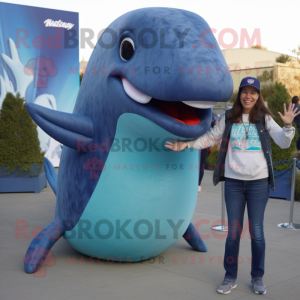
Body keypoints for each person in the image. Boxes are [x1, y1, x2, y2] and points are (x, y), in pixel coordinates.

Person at [165, 77, 298, 295]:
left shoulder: (264, 118)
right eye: (244, 92)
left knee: (257, 233)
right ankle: (230, 276)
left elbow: (283, 142)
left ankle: (257, 277)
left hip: (258, 184)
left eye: (253, 92)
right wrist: (186, 144)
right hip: (235, 184)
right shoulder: (229, 117)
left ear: (258, 95)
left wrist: (288, 125)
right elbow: (209, 138)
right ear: (240, 95)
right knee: (233, 234)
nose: (248, 96)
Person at [198, 117, 217, 192]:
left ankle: (198, 184)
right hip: (193, 142)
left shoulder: (206, 117)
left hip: (204, 143)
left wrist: (212, 142)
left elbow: (211, 130)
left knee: (200, 164)